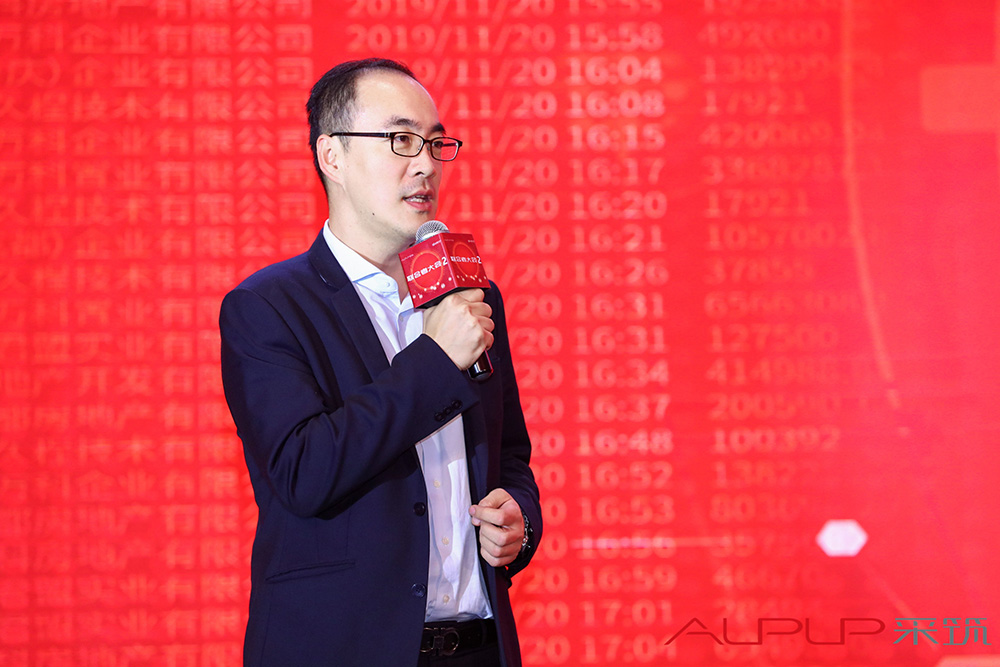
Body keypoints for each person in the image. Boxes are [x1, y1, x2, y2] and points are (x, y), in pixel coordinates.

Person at [219, 58, 542, 667]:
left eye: (435, 143)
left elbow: (508, 454)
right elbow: (304, 471)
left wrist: (519, 516)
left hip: (477, 647)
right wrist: (436, 361)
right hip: (341, 650)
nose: (426, 164)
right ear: (332, 156)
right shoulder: (267, 307)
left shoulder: (468, 294)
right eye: (401, 140)